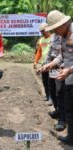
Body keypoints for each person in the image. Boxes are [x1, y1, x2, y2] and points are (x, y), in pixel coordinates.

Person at [40, 10, 73, 145]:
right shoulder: (64, 35)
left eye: (55, 28)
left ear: (63, 24)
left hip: (70, 75)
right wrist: (51, 64)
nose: (54, 32)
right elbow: (62, 56)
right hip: (69, 79)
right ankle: (71, 137)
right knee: (69, 109)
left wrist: (69, 70)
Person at [45, 33, 66, 131]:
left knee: (60, 92)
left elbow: (66, 56)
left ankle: (62, 119)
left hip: (62, 68)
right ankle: (57, 109)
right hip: (53, 66)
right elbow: (50, 51)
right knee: (52, 89)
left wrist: (65, 67)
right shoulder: (53, 36)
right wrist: (47, 63)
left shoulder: (67, 35)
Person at [34, 23, 52, 102]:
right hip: (43, 63)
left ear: (48, 29)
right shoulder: (41, 40)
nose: (42, 32)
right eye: (41, 31)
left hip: (52, 63)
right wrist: (35, 61)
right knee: (44, 81)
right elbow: (39, 52)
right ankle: (47, 95)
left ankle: (52, 98)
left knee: (51, 82)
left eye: (43, 31)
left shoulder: (53, 38)